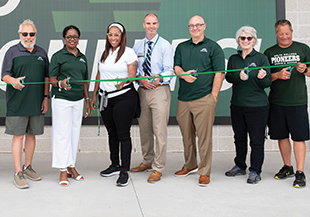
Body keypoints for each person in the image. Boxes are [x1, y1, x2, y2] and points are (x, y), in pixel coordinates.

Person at [264, 19, 310, 188]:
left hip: (297, 101)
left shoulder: (303, 49)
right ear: (276, 34)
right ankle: (288, 166)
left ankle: (300, 172)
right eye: (281, 34)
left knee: (299, 137)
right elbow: (265, 78)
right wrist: (277, 75)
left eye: (287, 33)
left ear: (292, 32)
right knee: (281, 136)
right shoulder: (269, 52)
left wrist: (306, 70)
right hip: (277, 101)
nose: (284, 37)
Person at [173, 15, 225, 187]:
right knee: (187, 136)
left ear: (204, 26)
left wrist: (214, 96)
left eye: (198, 25)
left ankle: (204, 172)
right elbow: (176, 67)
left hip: (204, 99)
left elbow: (219, 72)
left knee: (204, 138)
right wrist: (183, 75)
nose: (194, 28)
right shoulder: (182, 47)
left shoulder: (213, 47)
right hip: (183, 100)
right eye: (191, 26)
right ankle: (190, 165)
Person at [1, 19, 50, 189]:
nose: (28, 37)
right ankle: (17, 173)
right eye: (25, 34)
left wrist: (45, 97)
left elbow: (46, 78)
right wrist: (13, 81)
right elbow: (4, 75)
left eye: (32, 34)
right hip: (17, 103)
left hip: (36, 102)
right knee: (19, 136)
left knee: (32, 135)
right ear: (19, 34)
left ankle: (28, 167)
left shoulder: (42, 53)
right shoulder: (12, 52)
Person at [91, 22, 138, 187]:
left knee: (123, 134)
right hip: (106, 99)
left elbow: (133, 75)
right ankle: (114, 165)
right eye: (110, 34)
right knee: (112, 133)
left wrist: (124, 81)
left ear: (122, 36)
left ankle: (125, 170)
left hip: (124, 97)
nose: (113, 38)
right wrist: (94, 94)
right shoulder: (104, 53)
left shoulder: (128, 52)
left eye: (116, 34)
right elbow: (98, 74)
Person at [224, 26, 271, 184]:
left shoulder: (261, 58)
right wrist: (239, 76)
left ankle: (255, 170)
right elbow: (229, 77)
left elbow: (267, 82)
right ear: (238, 40)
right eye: (242, 38)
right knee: (239, 138)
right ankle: (240, 165)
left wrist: (261, 77)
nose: (245, 41)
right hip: (237, 105)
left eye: (249, 38)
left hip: (257, 106)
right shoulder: (233, 59)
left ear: (254, 40)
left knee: (257, 140)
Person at [131, 13, 174, 182]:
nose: (151, 26)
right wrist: (140, 79)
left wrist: (160, 77)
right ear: (143, 25)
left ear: (158, 25)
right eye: (148, 23)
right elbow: (133, 69)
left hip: (159, 90)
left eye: (154, 23)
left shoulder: (165, 45)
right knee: (145, 129)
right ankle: (147, 161)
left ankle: (158, 167)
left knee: (159, 131)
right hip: (142, 91)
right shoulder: (138, 46)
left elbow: (169, 70)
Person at [49, 25, 91, 187]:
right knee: (62, 135)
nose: (72, 39)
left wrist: (87, 100)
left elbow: (85, 81)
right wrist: (61, 83)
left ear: (79, 38)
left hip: (78, 100)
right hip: (61, 99)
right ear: (64, 39)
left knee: (74, 134)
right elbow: (52, 79)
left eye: (75, 37)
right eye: (69, 37)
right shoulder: (58, 56)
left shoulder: (82, 57)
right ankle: (62, 170)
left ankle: (71, 166)